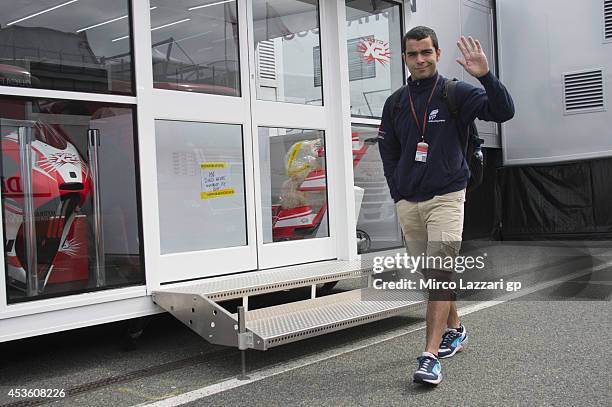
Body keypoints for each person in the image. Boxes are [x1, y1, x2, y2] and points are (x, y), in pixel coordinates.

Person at [377, 26, 514, 385]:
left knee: (438, 272)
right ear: (404, 58)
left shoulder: (457, 91)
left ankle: (429, 357)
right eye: (412, 54)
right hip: (409, 201)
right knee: (431, 274)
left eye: (426, 52)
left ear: (437, 53)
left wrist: (485, 76)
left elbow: (503, 112)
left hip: (447, 196)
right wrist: (398, 192)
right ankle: (456, 328)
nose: (420, 59)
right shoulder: (395, 103)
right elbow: (388, 151)